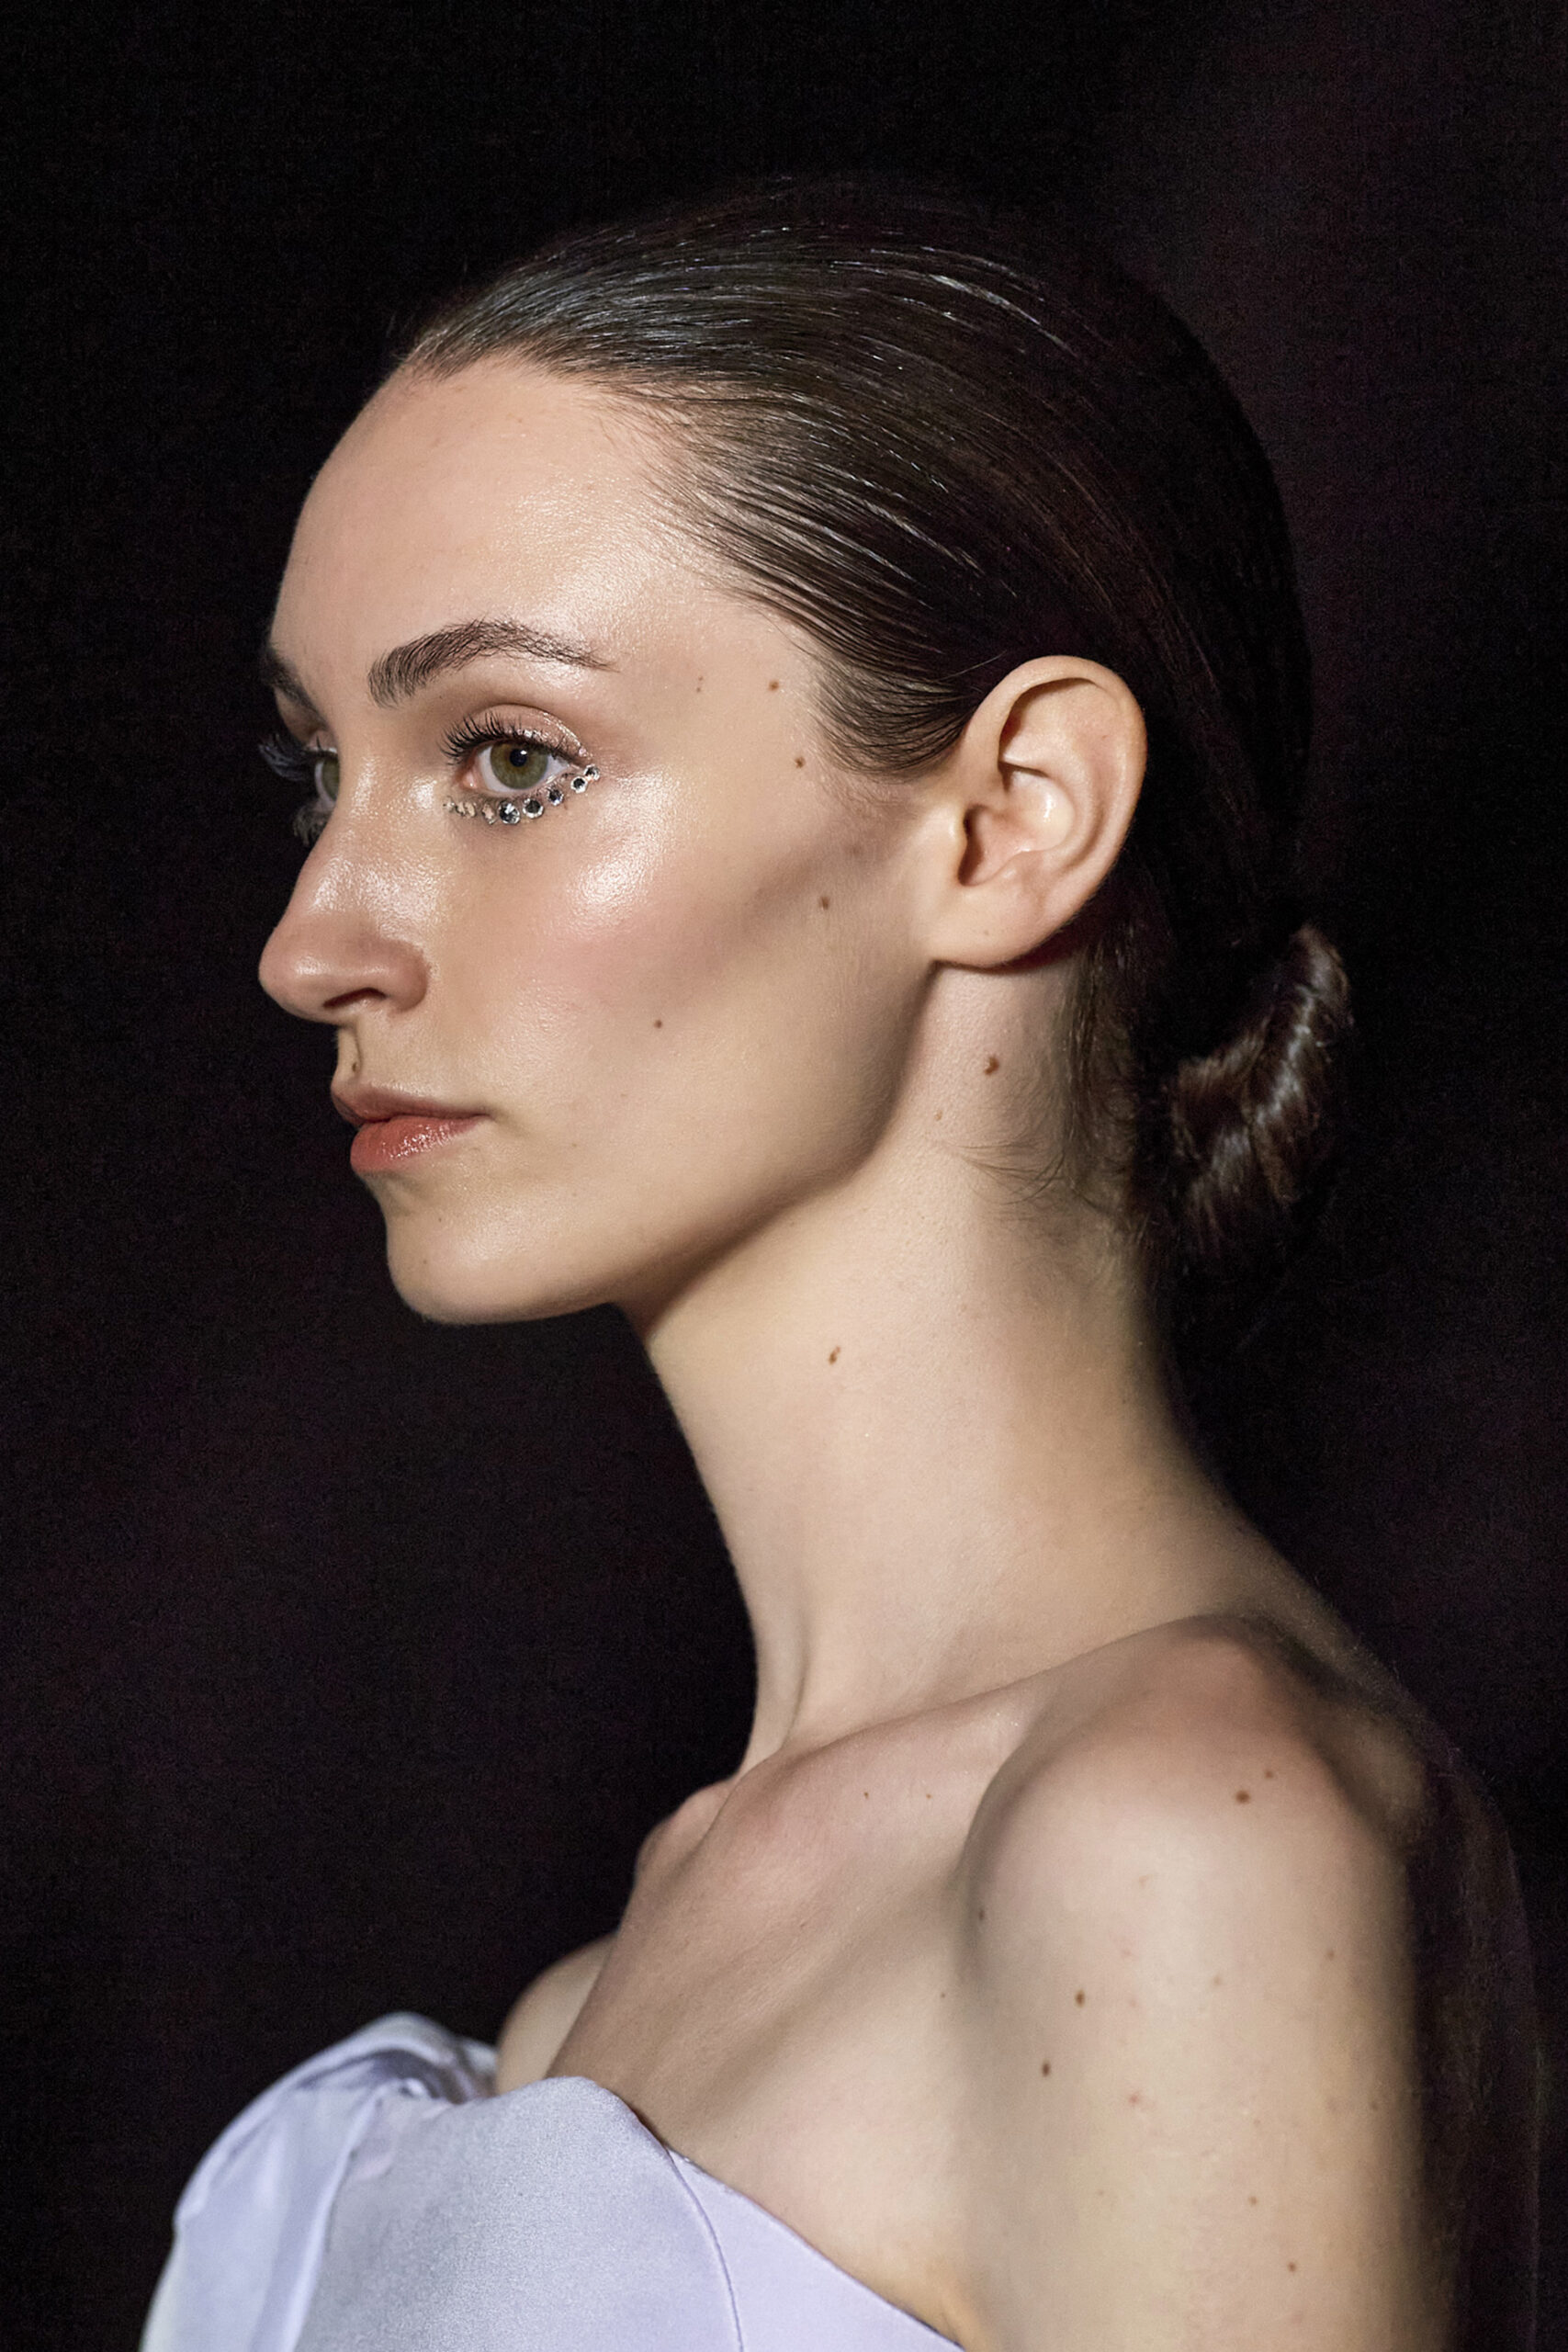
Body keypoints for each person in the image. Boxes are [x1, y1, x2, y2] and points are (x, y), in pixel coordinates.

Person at [141, 179, 1538, 2351]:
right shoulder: (595, 1998)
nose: (313, 938)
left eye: (508, 759)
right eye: (318, 771)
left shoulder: (1183, 1835)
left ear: (1011, 815)